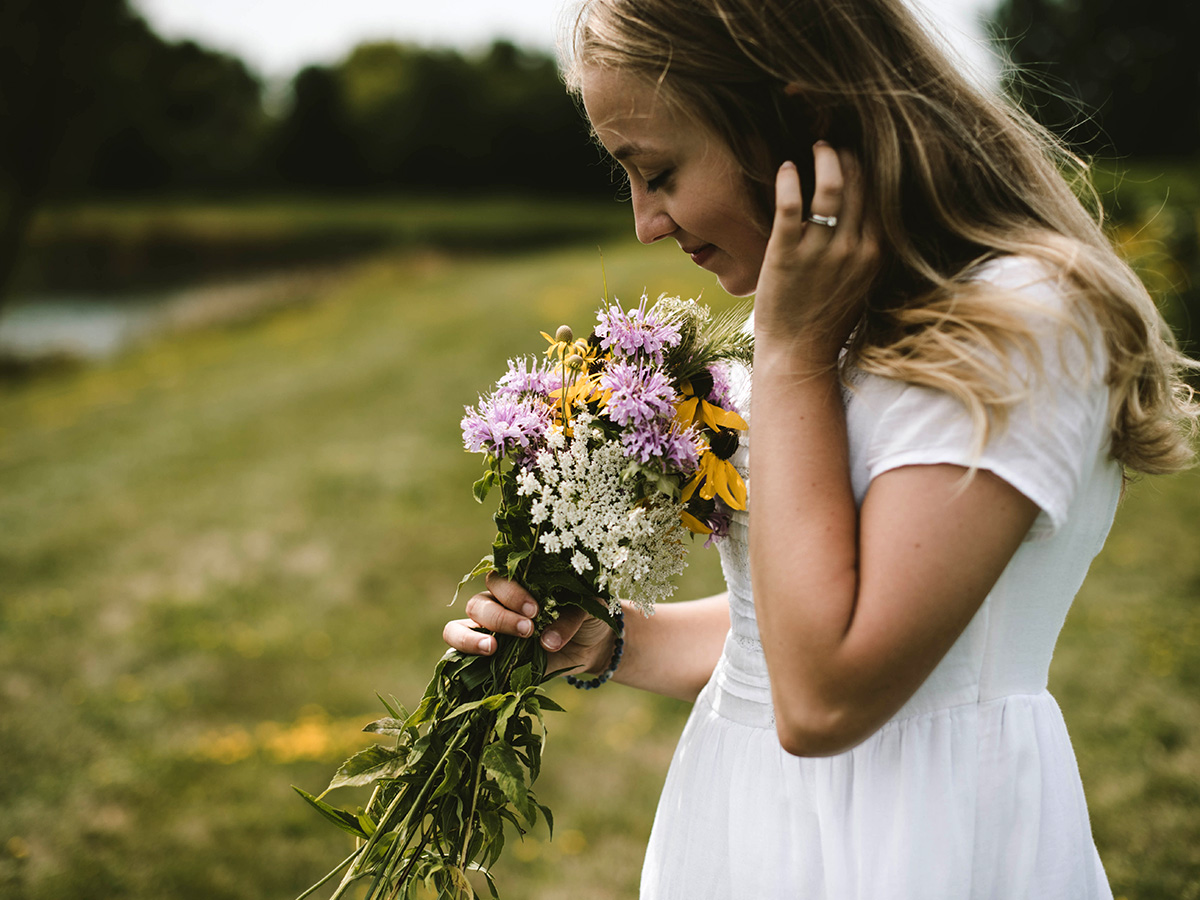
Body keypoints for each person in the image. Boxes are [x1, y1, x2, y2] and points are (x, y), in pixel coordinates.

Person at [443, 0, 1198, 897]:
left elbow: (827, 691)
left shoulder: (1015, 324)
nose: (647, 222)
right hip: (751, 823)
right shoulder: (826, 308)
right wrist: (614, 643)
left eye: (660, 171)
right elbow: (791, 622)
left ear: (797, 121)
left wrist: (792, 355)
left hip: (917, 837)